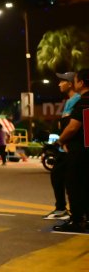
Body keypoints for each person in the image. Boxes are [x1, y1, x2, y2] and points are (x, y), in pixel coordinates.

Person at [53, 68, 89, 233]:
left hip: (79, 150)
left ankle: (77, 220)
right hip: (85, 148)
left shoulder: (83, 101)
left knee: (74, 185)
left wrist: (61, 140)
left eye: (75, 81)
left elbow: (74, 127)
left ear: (81, 82)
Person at [43, 72, 78, 221]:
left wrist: (62, 142)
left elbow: (73, 126)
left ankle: (70, 212)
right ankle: (65, 209)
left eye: (62, 81)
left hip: (70, 147)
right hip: (66, 146)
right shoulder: (70, 101)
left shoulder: (77, 100)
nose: (59, 84)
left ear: (70, 83)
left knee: (65, 178)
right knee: (59, 175)